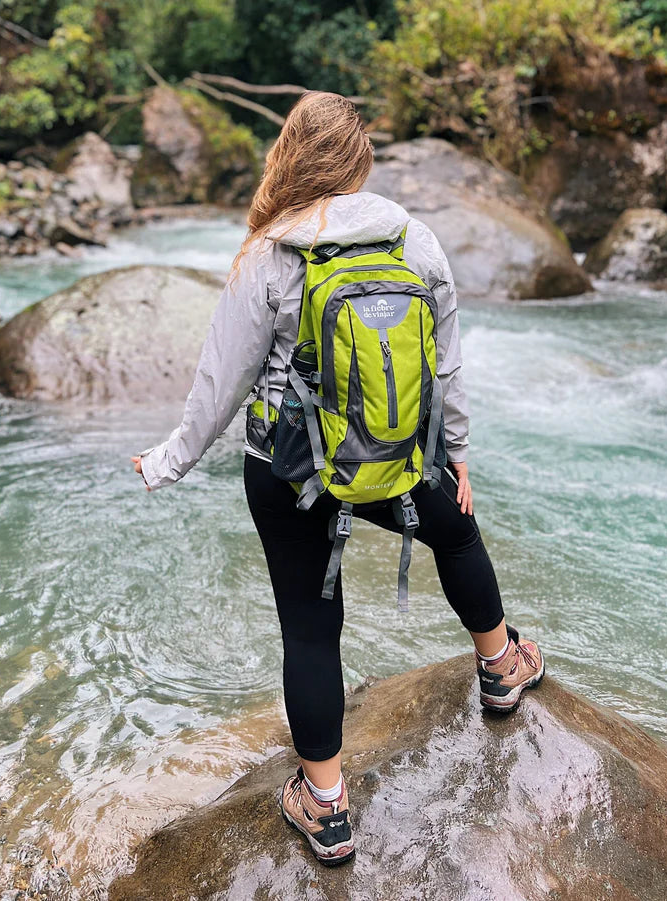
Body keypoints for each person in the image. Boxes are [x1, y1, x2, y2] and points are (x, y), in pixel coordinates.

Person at [131, 91, 544, 867]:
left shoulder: (268, 250)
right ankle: (501, 667)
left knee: (311, 624)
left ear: (289, 154)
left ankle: (324, 804)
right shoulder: (412, 237)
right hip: (392, 451)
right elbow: (445, 358)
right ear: (361, 161)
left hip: (287, 464)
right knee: (455, 531)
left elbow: (223, 377)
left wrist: (170, 460)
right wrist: (455, 453)